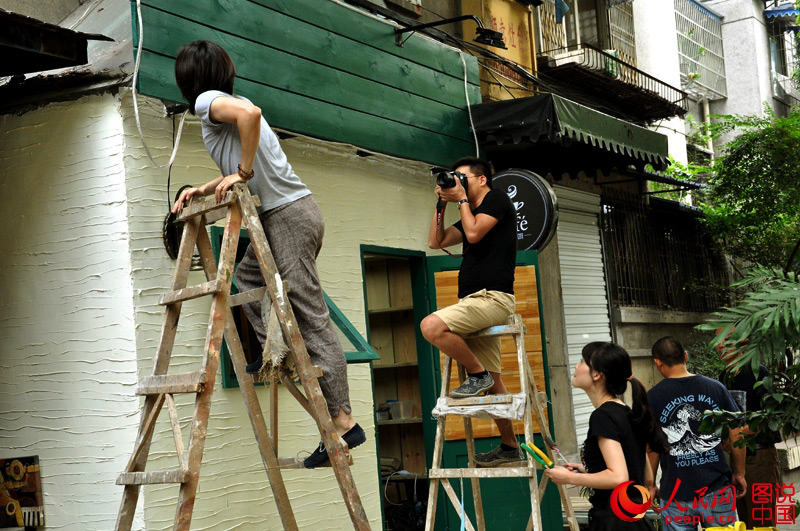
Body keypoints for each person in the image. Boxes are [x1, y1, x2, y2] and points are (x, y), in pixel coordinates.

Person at [171, 40, 363, 468]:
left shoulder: (209, 102)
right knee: (250, 280)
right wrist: (210, 185)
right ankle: (278, 353)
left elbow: (251, 123)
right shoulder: (229, 102)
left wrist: (240, 173)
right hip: (285, 215)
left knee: (311, 314)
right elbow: (249, 148)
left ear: (190, 78)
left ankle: (344, 421)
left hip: (288, 216)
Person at [419, 156, 520, 467]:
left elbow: (474, 234)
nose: (458, 182)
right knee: (496, 383)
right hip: (473, 302)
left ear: (481, 180)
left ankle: (478, 375)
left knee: (431, 326)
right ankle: (509, 445)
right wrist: (441, 205)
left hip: (493, 298)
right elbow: (436, 242)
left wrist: (460, 199)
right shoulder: (469, 211)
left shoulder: (497, 200)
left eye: (462, 177)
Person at [545, 342, 668, 531]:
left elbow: (618, 477)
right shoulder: (625, 411)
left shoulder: (602, 416)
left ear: (597, 374)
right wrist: (588, 471)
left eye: (581, 361)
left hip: (614, 521)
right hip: (631, 520)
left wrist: (568, 479)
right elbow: (645, 476)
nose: (576, 366)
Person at [647, 336, 746, 530]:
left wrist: (649, 485)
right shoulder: (716, 388)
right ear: (685, 356)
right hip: (717, 487)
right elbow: (737, 433)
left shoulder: (653, 397)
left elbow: (652, 448)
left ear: (657, 362)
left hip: (676, 494)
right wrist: (740, 472)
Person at [716, 332, 782, 528]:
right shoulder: (724, 377)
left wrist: (741, 433)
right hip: (735, 458)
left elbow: (772, 417)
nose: (720, 346)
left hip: (759, 456)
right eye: (718, 341)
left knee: (761, 519)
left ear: (742, 343)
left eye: (726, 341)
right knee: (743, 519)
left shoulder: (759, 373)